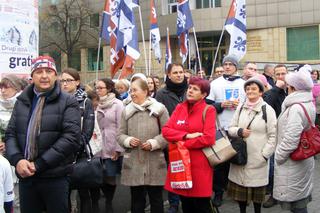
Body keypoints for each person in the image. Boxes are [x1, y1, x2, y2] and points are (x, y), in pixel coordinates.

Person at [5, 56, 81, 213]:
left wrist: (38, 164)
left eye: (49, 71)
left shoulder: (68, 101)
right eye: (39, 71)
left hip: (55, 178)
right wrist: (18, 160)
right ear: (32, 76)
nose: (44, 75)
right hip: (26, 177)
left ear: (55, 75)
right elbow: (11, 133)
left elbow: (71, 138)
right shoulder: (22, 101)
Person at [162, 77, 216, 213]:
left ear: (204, 94)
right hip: (180, 165)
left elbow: (208, 139)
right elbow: (166, 131)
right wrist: (186, 136)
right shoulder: (180, 108)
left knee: (202, 206)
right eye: (190, 87)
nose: (190, 91)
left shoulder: (209, 110)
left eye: (195, 89)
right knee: (186, 205)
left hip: (200, 166)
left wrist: (181, 143)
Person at [117, 78, 169, 213]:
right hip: (133, 162)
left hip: (155, 161)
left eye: (135, 90)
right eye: (130, 90)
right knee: (136, 200)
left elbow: (168, 134)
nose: (132, 93)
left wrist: (154, 143)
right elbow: (119, 135)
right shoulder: (126, 111)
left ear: (145, 91)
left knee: (156, 199)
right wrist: (127, 140)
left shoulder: (160, 109)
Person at [227, 78, 277, 213]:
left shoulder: (268, 110)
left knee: (257, 197)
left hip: (257, 159)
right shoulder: (240, 107)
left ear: (261, 92)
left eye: (254, 89)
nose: (250, 91)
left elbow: (273, 136)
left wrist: (264, 155)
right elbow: (230, 128)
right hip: (240, 158)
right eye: (248, 89)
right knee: (241, 196)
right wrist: (239, 131)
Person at [273, 67, 315, 213]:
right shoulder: (307, 101)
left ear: (293, 88)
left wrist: (278, 156)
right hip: (302, 159)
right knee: (300, 199)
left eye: (288, 85)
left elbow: (291, 139)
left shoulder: (296, 107)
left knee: (298, 205)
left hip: (293, 161)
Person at [206, 54, 246, 207]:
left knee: (239, 162)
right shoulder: (215, 84)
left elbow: (250, 102)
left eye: (231, 64)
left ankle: (238, 193)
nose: (227, 66)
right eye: (225, 64)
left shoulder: (244, 83)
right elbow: (207, 107)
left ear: (236, 66)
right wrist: (222, 104)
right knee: (220, 164)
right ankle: (218, 193)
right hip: (220, 129)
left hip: (239, 129)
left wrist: (240, 106)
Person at [60, 68, 95, 213]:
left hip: (78, 154)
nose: (65, 84)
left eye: (69, 80)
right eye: (62, 81)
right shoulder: (55, 101)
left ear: (77, 82)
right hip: (60, 155)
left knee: (83, 193)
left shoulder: (86, 102)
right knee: (63, 194)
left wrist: (73, 148)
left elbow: (87, 131)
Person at [155, 63, 188, 213]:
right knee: (174, 171)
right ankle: (174, 203)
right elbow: (158, 118)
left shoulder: (191, 90)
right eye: (175, 72)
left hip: (190, 138)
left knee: (190, 170)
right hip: (172, 140)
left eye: (181, 72)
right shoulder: (162, 94)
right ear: (168, 75)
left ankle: (188, 199)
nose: (179, 75)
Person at [93, 78, 124, 213]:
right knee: (95, 175)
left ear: (109, 89)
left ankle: (109, 202)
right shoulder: (94, 103)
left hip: (112, 143)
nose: (98, 90)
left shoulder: (118, 104)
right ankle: (95, 202)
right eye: (96, 88)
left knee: (110, 175)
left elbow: (121, 127)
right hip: (96, 144)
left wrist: (118, 149)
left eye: (101, 88)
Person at [262, 64, 288, 208]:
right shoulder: (272, 91)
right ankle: (274, 194)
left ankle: (286, 193)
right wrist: (276, 88)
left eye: (283, 73)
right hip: (275, 134)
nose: (281, 77)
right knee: (274, 166)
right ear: (273, 76)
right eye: (277, 74)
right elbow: (265, 105)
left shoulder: (292, 89)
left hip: (290, 134)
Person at [0, 75, 26, 213]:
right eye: (1, 87)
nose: (3, 90)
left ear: (16, 88)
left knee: (16, 199)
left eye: (6, 87)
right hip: (1, 160)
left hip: (17, 156)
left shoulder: (24, 105)